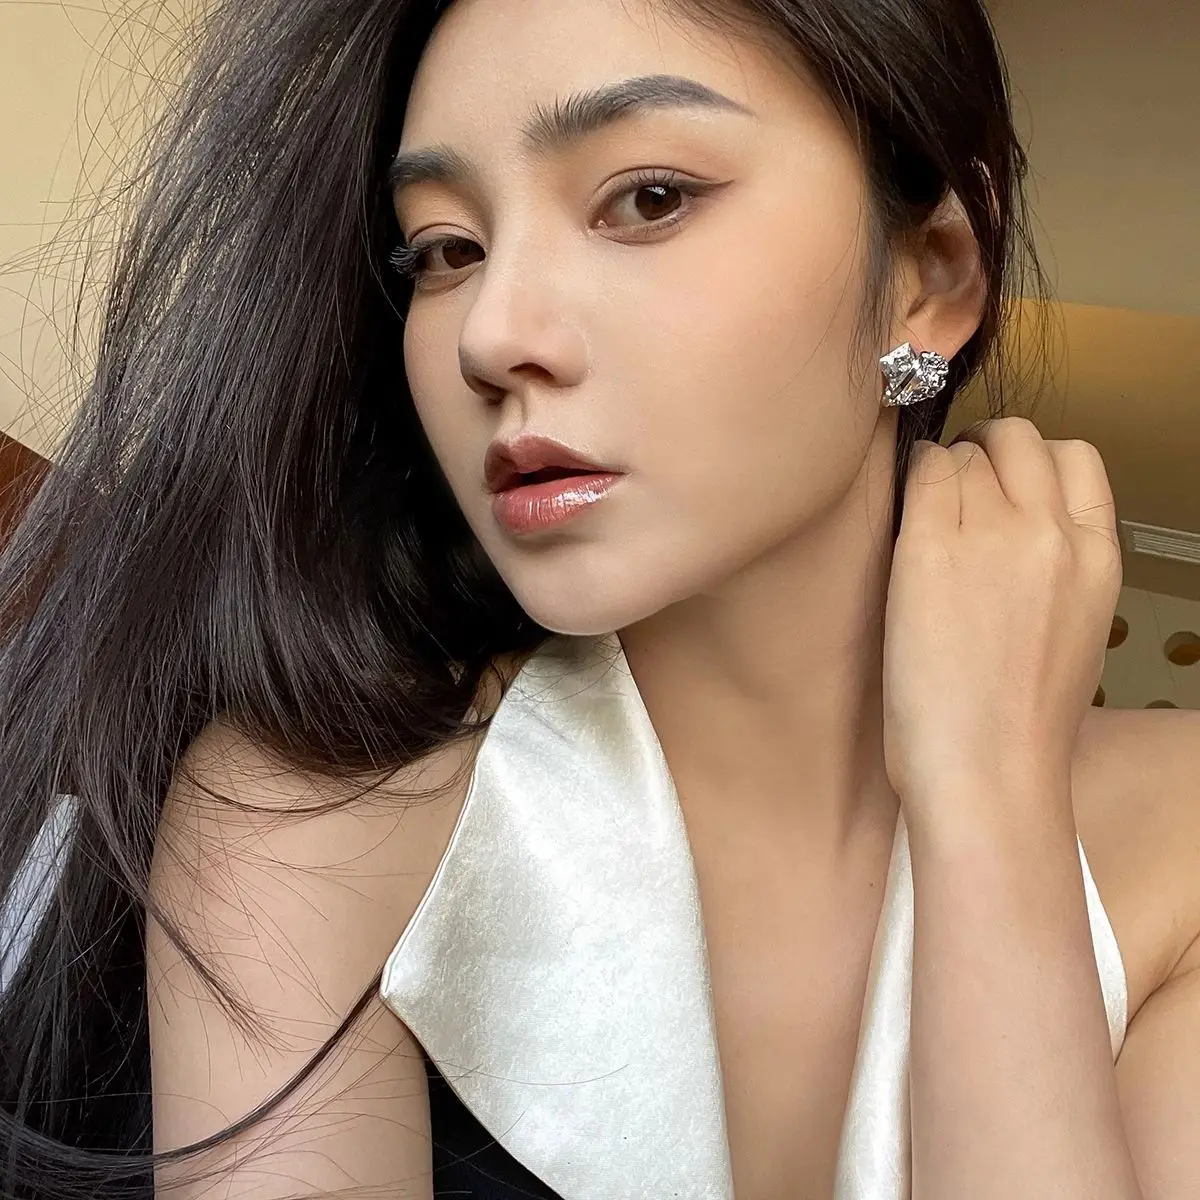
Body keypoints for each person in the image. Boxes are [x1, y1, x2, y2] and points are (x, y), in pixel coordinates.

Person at [1, 0, 1197, 1196]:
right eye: (444, 251)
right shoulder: (321, 817)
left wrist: (991, 798)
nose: (490, 334)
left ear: (931, 277)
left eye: (649, 197)